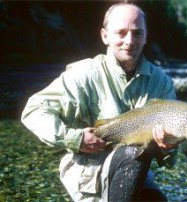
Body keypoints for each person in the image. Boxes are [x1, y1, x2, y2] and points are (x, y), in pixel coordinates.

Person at [21, 3, 177, 201]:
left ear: (145, 37)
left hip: (136, 176)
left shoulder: (161, 82)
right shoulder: (83, 75)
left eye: (137, 33)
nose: (129, 41)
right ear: (105, 36)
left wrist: (168, 147)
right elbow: (33, 110)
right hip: (89, 177)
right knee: (131, 154)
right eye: (121, 32)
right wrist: (74, 139)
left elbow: (170, 160)